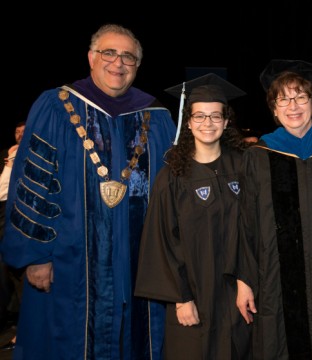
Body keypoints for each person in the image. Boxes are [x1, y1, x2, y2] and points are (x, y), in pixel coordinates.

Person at [0, 24, 176, 360]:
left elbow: (171, 191)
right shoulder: (56, 106)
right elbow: (32, 183)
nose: (118, 63)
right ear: (92, 58)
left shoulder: (156, 117)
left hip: (139, 263)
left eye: (128, 56)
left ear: (137, 65)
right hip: (70, 263)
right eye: (109, 53)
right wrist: (36, 256)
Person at [235, 59, 312, 359]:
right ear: (274, 109)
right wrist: (243, 281)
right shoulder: (259, 155)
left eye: (300, 96)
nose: (292, 106)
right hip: (276, 282)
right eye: (283, 99)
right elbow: (247, 223)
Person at [134, 73, 252, 359]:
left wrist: (248, 280)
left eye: (215, 116)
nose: (207, 124)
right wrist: (181, 297)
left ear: (226, 122)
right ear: (188, 123)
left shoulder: (246, 166)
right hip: (194, 292)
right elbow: (162, 240)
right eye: (199, 116)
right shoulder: (172, 176)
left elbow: (257, 229)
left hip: (238, 292)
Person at [0, 121, 25, 352]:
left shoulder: (32, 152)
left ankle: (25, 330)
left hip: (19, 215)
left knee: (21, 273)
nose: (19, 135)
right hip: (2, 214)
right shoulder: (5, 155)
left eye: (23, 131)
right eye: (16, 131)